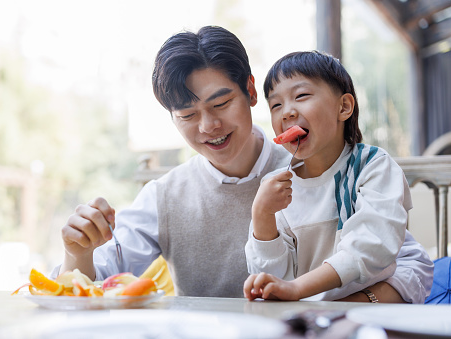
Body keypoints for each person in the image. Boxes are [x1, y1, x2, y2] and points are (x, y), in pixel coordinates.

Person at [54, 26, 433, 302]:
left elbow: (411, 264)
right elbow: (89, 284)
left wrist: (339, 310)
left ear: (251, 92)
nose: (209, 127)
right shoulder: (166, 196)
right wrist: (79, 250)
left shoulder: (317, 161)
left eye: (220, 104)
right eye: (187, 115)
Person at [243, 50, 433, 303]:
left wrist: (298, 290)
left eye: (301, 96)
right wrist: (262, 216)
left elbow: (371, 246)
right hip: (317, 300)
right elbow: (277, 280)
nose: (287, 112)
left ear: (343, 107)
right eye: (276, 105)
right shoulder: (277, 188)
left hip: (387, 282)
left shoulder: (373, 166)